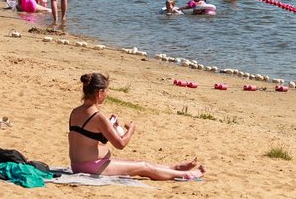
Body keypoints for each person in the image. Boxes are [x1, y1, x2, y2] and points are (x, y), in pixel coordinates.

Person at [69, 72, 204, 180]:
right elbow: (120, 144)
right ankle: (187, 175)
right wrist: (131, 130)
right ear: (99, 93)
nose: (107, 95)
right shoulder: (97, 116)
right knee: (143, 167)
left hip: (77, 165)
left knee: (135, 162)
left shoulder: (75, 112)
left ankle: (174, 167)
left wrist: (110, 126)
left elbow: (87, 137)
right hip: (89, 167)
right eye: (106, 92)